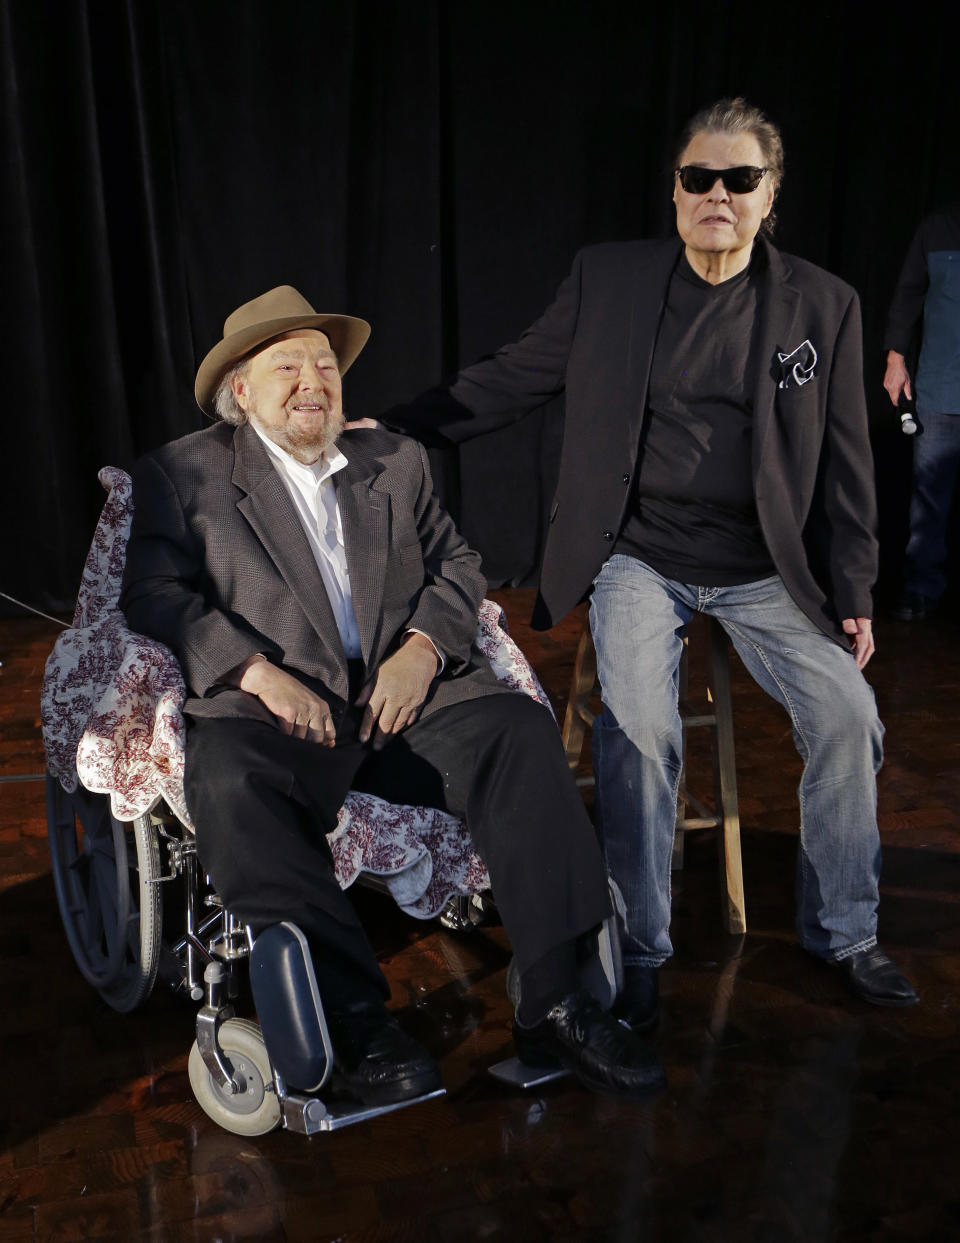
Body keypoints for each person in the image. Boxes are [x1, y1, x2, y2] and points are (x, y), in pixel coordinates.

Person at [383, 98, 919, 1021]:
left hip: (765, 566)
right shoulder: (612, 281)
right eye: (698, 178)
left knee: (848, 713)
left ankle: (848, 931)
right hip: (638, 554)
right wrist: (398, 425)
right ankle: (636, 947)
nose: (717, 194)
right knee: (640, 726)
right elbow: (513, 376)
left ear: (770, 194)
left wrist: (857, 589)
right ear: (674, 191)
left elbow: (847, 465)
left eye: (739, 179)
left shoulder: (822, 306)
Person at [120, 284, 666, 1105]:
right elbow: (154, 592)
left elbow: (458, 566)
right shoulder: (182, 475)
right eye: (288, 365)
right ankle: (354, 1019)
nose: (314, 379)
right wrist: (252, 673)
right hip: (278, 712)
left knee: (517, 729)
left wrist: (421, 649)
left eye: (325, 363)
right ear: (241, 389)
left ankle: (560, 999)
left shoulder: (392, 461)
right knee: (229, 779)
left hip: (396, 698)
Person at [883, 202, 960, 621]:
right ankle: (921, 590)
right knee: (929, 499)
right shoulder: (938, 229)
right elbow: (908, 291)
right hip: (941, 387)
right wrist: (895, 359)